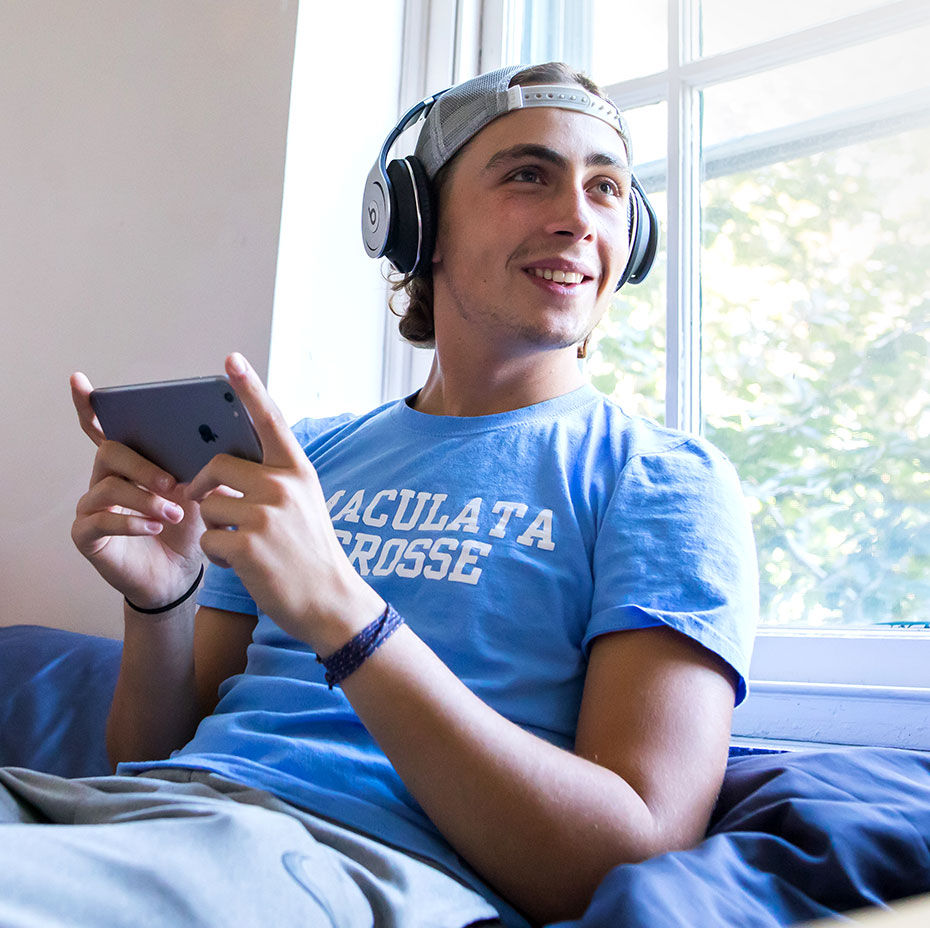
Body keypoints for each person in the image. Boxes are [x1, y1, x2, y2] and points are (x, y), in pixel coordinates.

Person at [1, 63, 757, 927]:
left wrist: (343, 612)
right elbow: (153, 752)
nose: (579, 218)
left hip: (338, 861)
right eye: (527, 174)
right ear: (418, 223)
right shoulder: (307, 456)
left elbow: (629, 859)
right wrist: (161, 602)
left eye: (608, 189)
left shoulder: (662, 482)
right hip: (129, 816)